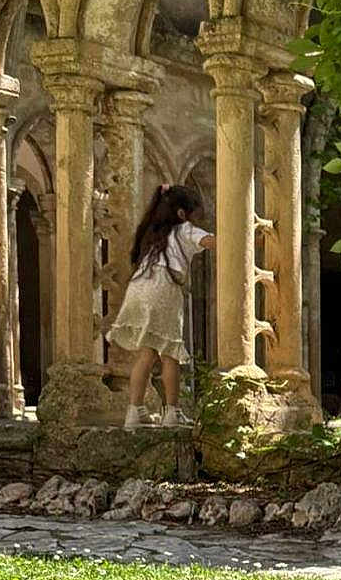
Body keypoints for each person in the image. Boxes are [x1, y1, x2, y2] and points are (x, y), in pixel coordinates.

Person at [108, 183, 269, 429]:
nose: (197, 221)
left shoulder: (152, 235)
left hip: (139, 289)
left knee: (148, 351)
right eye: (196, 215)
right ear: (182, 214)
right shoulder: (184, 230)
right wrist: (252, 241)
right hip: (163, 289)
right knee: (170, 351)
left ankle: (134, 412)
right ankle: (172, 412)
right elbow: (217, 243)